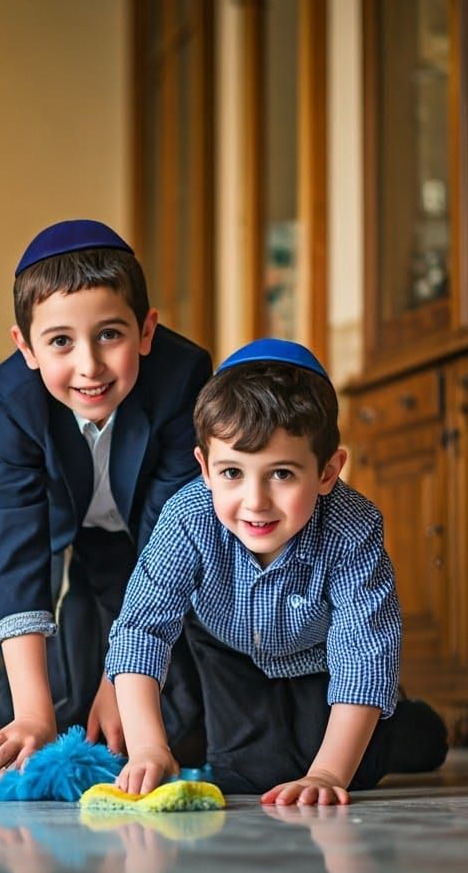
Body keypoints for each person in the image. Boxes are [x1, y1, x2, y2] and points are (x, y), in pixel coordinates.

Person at [105, 338, 448, 803]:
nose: (256, 501)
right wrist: (147, 748)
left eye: (282, 474)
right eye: (232, 473)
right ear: (204, 468)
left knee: (355, 769)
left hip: (319, 657)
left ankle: (406, 722)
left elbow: (363, 656)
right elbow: (142, 629)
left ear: (328, 472)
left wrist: (327, 773)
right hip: (227, 651)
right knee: (245, 774)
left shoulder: (354, 529)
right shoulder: (186, 517)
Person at [0, 219, 211, 781]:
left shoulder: (181, 379)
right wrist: (33, 715)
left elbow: (171, 534)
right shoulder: (8, 401)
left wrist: (125, 678)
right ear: (24, 346)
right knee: (44, 717)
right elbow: (14, 546)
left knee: (162, 725)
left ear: (146, 331)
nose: (89, 366)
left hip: (147, 543)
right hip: (57, 543)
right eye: (59, 341)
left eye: (109, 335)